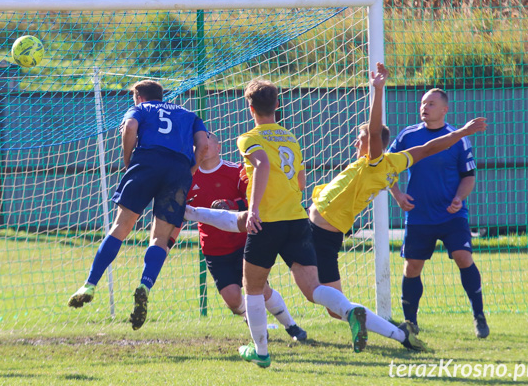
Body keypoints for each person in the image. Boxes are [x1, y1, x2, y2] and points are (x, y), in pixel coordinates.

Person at [186, 65, 488, 355]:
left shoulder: (374, 162)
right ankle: (398, 334)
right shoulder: (392, 163)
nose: (357, 140)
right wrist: (460, 132)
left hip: (313, 229)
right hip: (309, 227)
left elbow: (373, 131)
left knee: (254, 259)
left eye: (362, 138)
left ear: (372, 145)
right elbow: (428, 148)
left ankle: (189, 214)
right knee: (331, 304)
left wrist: (378, 91)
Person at [233, 78, 377, 368]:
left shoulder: (249, 138)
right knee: (313, 289)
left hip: (268, 221)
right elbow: (300, 181)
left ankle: (260, 351)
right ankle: (350, 312)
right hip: (296, 220)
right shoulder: (290, 138)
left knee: (251, 286)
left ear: (250, 108)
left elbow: (261, 165)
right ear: (277, 105)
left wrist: (255, 208)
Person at [68, 80, 208, 330]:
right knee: (160, 238)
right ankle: (145, 284)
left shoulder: (141, 110)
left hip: (146, 162)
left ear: (139, 97)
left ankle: (89, 284)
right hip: (177, 170)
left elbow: (130, 127)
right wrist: (191, 168)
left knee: (120, 228)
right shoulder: (189, 114)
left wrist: (127, 160)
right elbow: (204, 144)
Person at [171, 131, 308, 341]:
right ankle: (252, 320)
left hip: (242, 243)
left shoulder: (236, 171)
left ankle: (292, 327)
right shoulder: (188, 177)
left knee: (260, 288)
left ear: (219, 148)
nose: (205, 148)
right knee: (233, 299)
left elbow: (254, 198)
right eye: (200, 145)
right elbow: (180, 211)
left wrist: (231, 205)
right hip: (214, 248)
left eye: (209, 143)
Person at [388, 88, 489, 339]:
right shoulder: (407, 136)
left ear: (445, 109)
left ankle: (479, 316)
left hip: (451, 214)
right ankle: (410, 323)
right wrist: (398, 195)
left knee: (463, 256)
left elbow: (468, 176)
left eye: (431, 104)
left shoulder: (458, 138)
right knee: (412, 267)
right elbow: (386, 168)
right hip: (419, 216)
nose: (425, 107)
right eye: (423, 103)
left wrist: (459, 198)